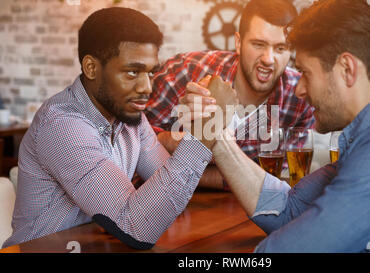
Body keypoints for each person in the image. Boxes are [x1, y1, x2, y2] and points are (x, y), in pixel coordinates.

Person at [184, 0, 370, 252]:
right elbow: (287, 210)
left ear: (347, 69)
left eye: (306, 73)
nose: (299, 89)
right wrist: (216, 135)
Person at [2, 7, 213, 249]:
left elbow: (174, 195)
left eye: (151, 72)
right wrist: (201, 134)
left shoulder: (130, 116)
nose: (146, 87)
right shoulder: (62, 125)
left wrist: (199, 120)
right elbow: (136, 227)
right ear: (91, 68)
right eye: (132, 72)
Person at [145, 0, 315, 190]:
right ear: (239, 42)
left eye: (280, 48)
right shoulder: (185, 71)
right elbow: (133, 141)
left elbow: (272, 179)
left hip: (241, 214)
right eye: (258, 44)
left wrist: (190, 159)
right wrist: (178, 140)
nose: (268, 59)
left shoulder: (300, 99)